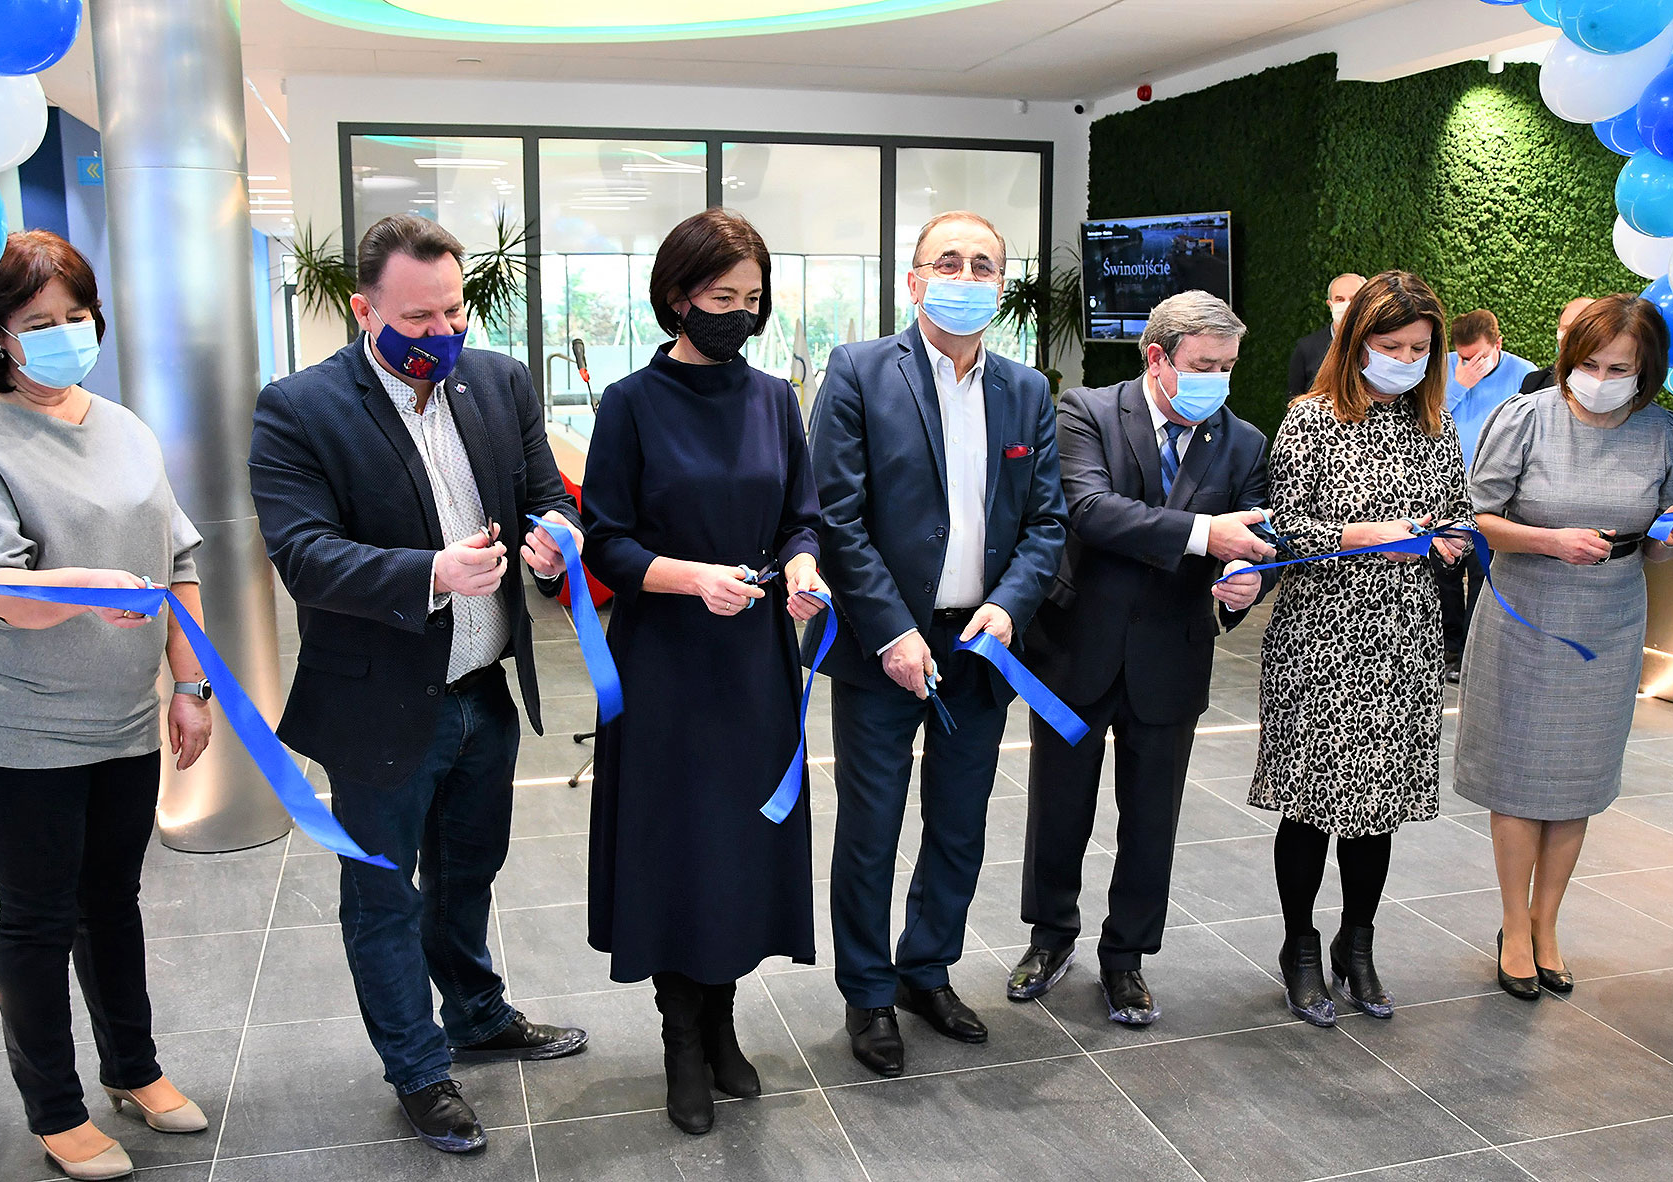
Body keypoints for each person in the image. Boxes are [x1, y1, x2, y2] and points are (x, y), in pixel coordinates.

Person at [249, 215, 587, 1155]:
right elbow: (303, 555)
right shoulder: (300, 408)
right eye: (417, 319)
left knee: (468, 873)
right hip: (380, 703)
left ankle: (476, 1014)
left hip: (483, 690)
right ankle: (419, 1069)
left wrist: (559, 538)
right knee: (383, 896)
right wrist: (430, 572)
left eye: (453, 312)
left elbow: (545, 494)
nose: (441, 333)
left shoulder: (499, 382)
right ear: (364, 311)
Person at [0, 230, 211, 1181]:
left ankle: (135, 1069)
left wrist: (190, 685)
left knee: (111, 902)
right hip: (13, 725)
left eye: (76, 316)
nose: (63, 335)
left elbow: (177, 563)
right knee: (39, 916)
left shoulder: (123, 426)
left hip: (121, 715)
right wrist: (86, 588)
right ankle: (55, 1110)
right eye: (38, 322)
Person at [579, 209, 829, 1136]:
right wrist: (690, 579)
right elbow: (605, 540)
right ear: (678, 297)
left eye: (753, 299)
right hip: (666, 663)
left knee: (738, 849)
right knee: (675, 848)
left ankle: (722, 1025)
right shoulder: (630, 403)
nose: (740, 315)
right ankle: (681, 1039)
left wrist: (802, 568)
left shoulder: (773, 400)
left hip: (754, 661)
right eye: (723, 297)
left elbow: (802, 517)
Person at [807, 210, 1067, 1078]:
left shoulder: (1026, 391)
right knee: (871, 829)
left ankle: (926, 970)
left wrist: (1009, 608)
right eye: (947, 262)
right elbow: (837, 517)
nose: (966, 277)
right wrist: (891, 630)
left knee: (959, 823)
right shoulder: (859, 371)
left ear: (1002, 285)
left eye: (983, 265)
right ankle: (868, 992)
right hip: (881, 643)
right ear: (914, 280)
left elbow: (1047, 523)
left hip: (980, 644)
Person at [1008, 291, 1275, 1025]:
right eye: (1204, 365)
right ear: (1157, 358)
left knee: (1151, 820)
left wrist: (1243, 581)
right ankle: (1050, 935)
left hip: (1171, 653)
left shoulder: (1244, 443)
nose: (1218, 380)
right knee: (1058, 807)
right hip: (1077, 645)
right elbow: (1090, 511)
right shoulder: (1087, 412)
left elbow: (1256, 540)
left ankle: (1126, 957)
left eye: (1228, 366)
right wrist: (1206, 536)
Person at [1454, 295, 1673, 1000]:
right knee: (1518, 775)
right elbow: (1476, 519)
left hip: (1609, 622)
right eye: (1589, 364)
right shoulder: (1526, 418)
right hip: (1526, 616)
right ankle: (1513, 923)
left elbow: (1654, 543)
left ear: (1646, 371)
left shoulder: (1663, 434)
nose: (1600, 379)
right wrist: (1549, 540)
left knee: (1576, 780)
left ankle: (1547, 923)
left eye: (1619, 368)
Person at [1250, 271, 1470, 1029]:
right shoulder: (1309, 421)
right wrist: (1359, 535)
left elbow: (1462, 516)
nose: (1407, 360)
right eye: (1392, 345)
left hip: (1404, 639)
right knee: (1310, 803)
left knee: (1378, 807)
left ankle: (1358, 941)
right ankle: (1300, 947)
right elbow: (1281, 529)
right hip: (1320, 637)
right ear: (1356, 342)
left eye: (1419, 348)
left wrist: (1448, 539)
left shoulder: (1435, 428)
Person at [1438, 310, 1536, 678]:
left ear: (1498, 345)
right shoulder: (1443, 368)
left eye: (1479, 356)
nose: (1471, 363)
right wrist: (1458, 383)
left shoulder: (1523, 374)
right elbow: (1423, 418)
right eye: (1464, 356)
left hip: (1494, 497)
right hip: (1443, 488)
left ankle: (1471, 652)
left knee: (1483, 573)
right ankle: (1449, 648)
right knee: (1443, 574)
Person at [1286, 273, 1364, 399]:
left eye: (1354, 299)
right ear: (1330, 305)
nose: (1347, 305)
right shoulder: (1307, 348)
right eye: (1339, 299)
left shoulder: (1380, 344)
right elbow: (1295, 399)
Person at [1519, 296, 1597, 396]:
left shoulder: (1612, 383)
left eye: (1582, 329)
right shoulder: (1534, 384)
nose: (1571, 336)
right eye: (1566, 328)